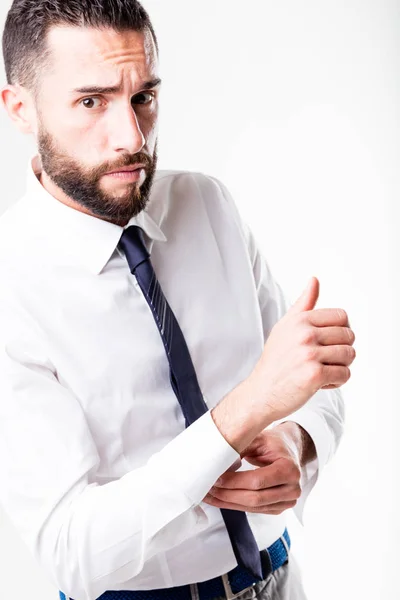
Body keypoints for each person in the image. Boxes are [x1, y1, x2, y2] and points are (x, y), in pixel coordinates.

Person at [0, 1, 355, 599]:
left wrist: (299, 442)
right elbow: (72, 553)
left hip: (281, 579)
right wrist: (242, 412)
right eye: (92, 102)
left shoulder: (208, 205)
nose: (132, 138)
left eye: (144, 97)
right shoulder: (12, 288)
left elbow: (303, 390)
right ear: (21, 109)